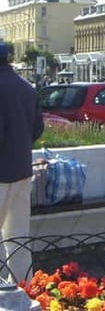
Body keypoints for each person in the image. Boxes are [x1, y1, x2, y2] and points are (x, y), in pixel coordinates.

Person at [0, 42, 44, 283]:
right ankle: (24, 290)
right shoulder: (26, 87)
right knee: (18, 237)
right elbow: (37, 129)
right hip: (22, 170)